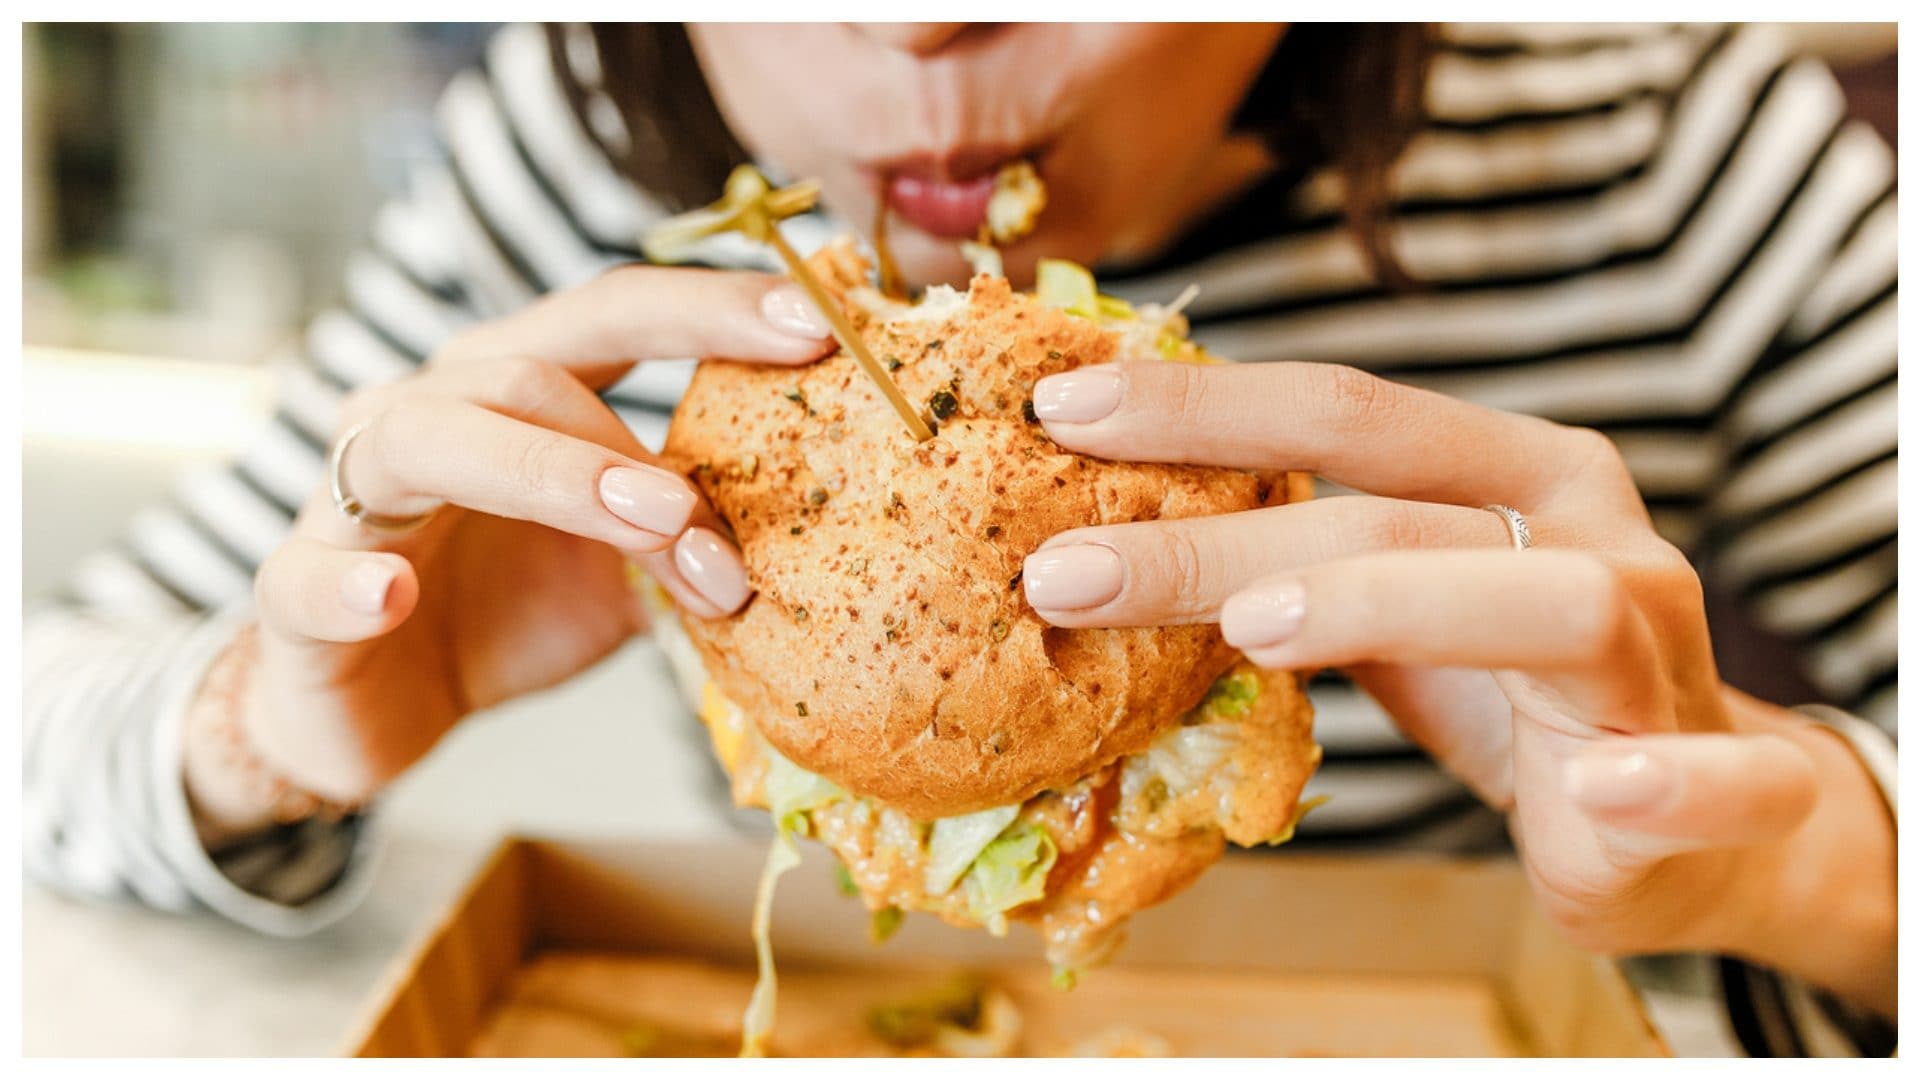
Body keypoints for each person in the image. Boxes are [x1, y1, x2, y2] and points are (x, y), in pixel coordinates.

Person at [24, 22, 1895, 1054]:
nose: (916, 25)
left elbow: (1824, 865)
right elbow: (41, 709)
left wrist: (1809, 862)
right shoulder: (600, 178)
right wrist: (263, 727)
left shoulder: (1680, 163)